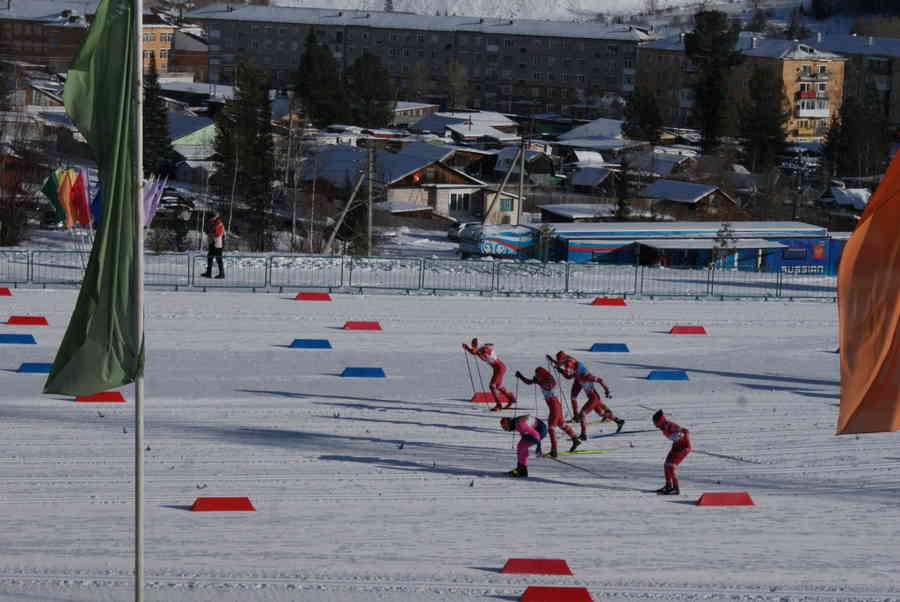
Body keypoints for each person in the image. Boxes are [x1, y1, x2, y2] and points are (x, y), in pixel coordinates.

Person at [547, 351, 624, 440]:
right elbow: (567, 375)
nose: (569, 371)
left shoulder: (585, 375)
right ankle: (619, 421)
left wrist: (607, 391)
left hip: (594, 398)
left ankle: (583, 434)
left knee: (583, 413)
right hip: (592, 397)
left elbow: (601, 380)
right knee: (601, 413)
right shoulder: (576, 374)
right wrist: (552, 360)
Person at [515, 366, 581, 456]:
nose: (536, 376)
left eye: (537, 375)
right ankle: (575, 439)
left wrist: (539, 381)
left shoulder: (549, 379)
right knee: (561, 424)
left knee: (551, 427)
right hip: (554, 405)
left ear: (542, 374)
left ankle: (554, 450)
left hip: (555, 405)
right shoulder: (541, 379)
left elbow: (549, 386)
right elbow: (529, 382)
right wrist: (521, 376)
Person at [462, 338, 516, 411]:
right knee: (498, 386)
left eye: (474, 346)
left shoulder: (485, 348)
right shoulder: (479, 350)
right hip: (496, 368)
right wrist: (467, 348)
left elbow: (486, 351)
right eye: (473, 346)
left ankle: (498, 405)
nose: (474, 347)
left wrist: (477, 351)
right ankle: (510, 398)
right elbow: (474, 352)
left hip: (500, 367)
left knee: (492, 386)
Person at [652, 409, 691, 495]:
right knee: (666, 465)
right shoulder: (663, 426)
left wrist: (679, 436)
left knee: (671, 466)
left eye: (655, 422)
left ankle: (676, 488)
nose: (654, 424)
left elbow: (685, 431)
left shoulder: (669, 426)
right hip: (676, 446)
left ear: (660, 421)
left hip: (684, 448)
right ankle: (668, 486)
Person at [201, 214, 225, 279]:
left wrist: (211, 231)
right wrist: (209, 231)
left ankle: (222, 273)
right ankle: (208, 272)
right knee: (210, 257)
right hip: (212, 241)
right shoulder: (211, 222)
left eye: (211, 218)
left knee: (218, 258)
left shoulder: (219, 223)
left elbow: (218, 232)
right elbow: (206, 230)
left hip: (218, 243)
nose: (210, 220)